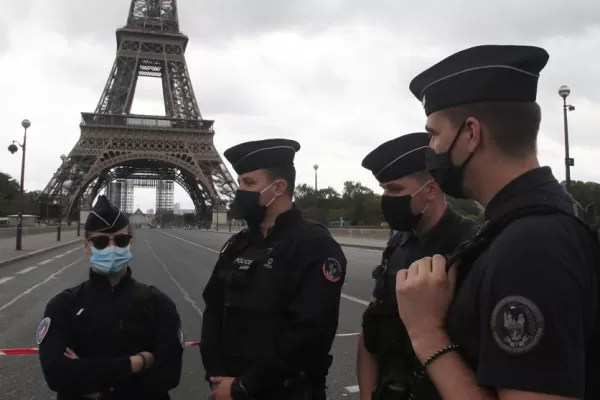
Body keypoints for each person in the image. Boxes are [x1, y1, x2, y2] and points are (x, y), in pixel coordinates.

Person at [394, 44, 600, 400]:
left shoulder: (531, 246)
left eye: (434, 134)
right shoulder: (529, 225)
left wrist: (426, 333)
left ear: (472, 134)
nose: (431, 151)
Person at [199, 138, 347, 400]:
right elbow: (213, 309)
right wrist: (217, 377)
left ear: (278, 187)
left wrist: (245, 385)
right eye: (240, 182)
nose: (240, 190)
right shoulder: (238, 244)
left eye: (249, 183)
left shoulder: (315, 246)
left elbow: (311, 332)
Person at [357, 132, 479, 400]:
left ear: (432, 190)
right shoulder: (398, 245)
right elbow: (371, 332)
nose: (387, 199)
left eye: (395, 190)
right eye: (384, 189)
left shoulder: (470, 247)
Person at [38, 196, 184, 400]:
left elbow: (169, 375)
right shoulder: (61, 306)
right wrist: (137, 363)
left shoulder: (160, 304)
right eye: (101, 242)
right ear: (87, 246)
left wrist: (91, 382)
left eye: (121, 240)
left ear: (130, 244)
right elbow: (57, 376)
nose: (112, 247)